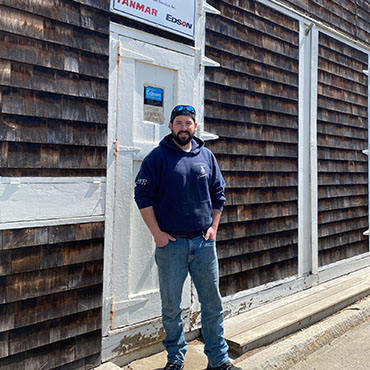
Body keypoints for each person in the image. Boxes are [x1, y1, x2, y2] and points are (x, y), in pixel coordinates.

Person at [134, 105, 242, 370]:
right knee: (171, 307)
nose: (184, 127)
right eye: (179, 123)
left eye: (188, 123)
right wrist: (156, 234)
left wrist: (213, 227)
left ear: (195, 126)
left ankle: (218, 361)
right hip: (172, 246)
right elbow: (142, 196)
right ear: (170, 126)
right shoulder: (157, 158)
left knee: (212, 304)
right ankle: (175, 360)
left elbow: (219, 194)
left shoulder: (206, 156)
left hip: (204, 243)